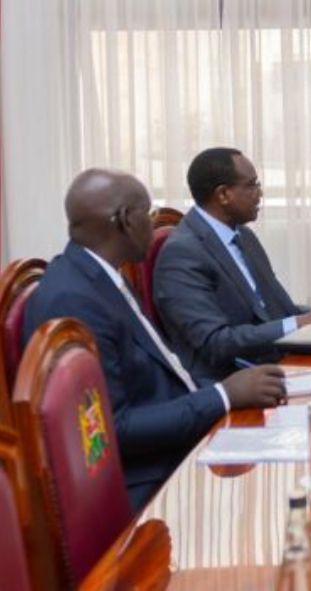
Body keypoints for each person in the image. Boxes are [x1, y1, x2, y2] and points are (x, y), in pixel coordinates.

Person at [22, 169, 287, 509]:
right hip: (147, 477)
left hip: (178, 438)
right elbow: (113, 430)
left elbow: (164, 373)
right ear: (126, 221)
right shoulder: (75, 300)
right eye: (147, 214)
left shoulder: (102, 275)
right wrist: (224, 395)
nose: (154, 223)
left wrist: (232, 390)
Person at [153, 148, 311, 381]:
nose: (260, 193)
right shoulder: (182, 254)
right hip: (232, 380)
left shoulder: (243, 235)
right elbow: (216, 343)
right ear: (223, 194)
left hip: (275, 361)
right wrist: (306, 321)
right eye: (252, 185)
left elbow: (278, 310)